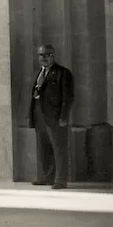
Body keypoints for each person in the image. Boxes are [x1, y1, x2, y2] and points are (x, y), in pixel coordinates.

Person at [29, 44, 73, 189]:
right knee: (43, 147)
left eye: (48, 55)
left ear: (53, 56)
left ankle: (60, 181)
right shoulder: (40, 73)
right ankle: (45, 178)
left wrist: (63, 116)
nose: (44, 58)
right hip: (39, 116)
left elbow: (68, 97)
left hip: (55, 117)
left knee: (59, 148)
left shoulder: (63, 73)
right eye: (41, 55)